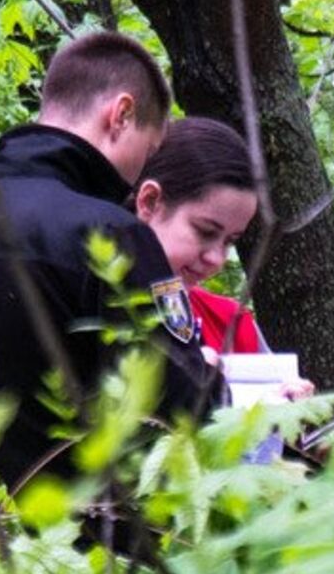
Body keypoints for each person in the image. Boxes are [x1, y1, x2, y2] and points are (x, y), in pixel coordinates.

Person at [0, 32, 219, 488]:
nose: (139, 174)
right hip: (136, 532)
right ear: (121, 114)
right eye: (147, 152)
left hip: (31, 532)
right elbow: (186, 406)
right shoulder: (109, 233)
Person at [130, 117, 314, 398]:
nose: (217, 258)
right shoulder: (85, 302)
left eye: (230, 241)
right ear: (150, 201)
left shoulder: (231, 322)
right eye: (205, 231)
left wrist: (295, 428)